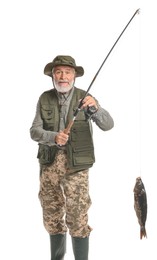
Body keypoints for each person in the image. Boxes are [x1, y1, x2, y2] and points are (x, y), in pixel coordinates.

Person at [30, 55, 114, 260]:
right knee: (52, 216)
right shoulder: (44, 98)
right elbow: (34, 131)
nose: (63, 76)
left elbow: (108, 125)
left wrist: (95, 109)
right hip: (49, 164)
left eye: (67, 72)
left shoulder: (86, 98)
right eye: (58, 72)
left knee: (77, 217)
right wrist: (53, 137)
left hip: (77, 166)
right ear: (52, 75)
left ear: (74, 75)